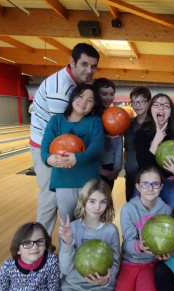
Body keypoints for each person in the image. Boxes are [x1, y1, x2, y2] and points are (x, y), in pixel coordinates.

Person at [30, 43, 100, 235]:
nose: (89, 70)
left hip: (61, 147)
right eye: (84, 64)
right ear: (72, 62)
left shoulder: (72, 83)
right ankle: (40, 243)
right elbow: (62, 129)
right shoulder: (61, 90)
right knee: (50, 196)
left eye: (93, 66)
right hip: (46, 146)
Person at [40, 84, 104, 222]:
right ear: (72, 97)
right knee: (68, 223)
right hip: (63, 181)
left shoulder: (95, 121)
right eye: (80, 96)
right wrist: (49, 159)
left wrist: (78, 158)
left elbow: (97, 147)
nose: (84, 101)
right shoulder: (56, 121)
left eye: (90, 100)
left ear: (94, 105)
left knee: (90, 222)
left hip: (88, 181)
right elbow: (44, 148)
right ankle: (66, 244)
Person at [115, 166, 172, 291]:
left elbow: (170, 241)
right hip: (130, 261)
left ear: (161, 187)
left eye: (155, 184)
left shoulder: (166, 211)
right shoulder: (128, 209)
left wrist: (168, 253)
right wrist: (139, 246)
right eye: (145, 184)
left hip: (153, 263)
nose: (150, 188)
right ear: (138, 186)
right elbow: (127, 244)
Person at [58, 178, 120, 290]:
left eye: (103, 201)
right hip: (73, 286)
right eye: (92, 201)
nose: (97, 207)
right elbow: (65, 269)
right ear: (83, 201)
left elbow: (115, 264)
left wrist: (106, 279)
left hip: (101, 287)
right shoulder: (71, 229)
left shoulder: (111, 231)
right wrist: (68, 242)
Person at [134, 93, 174, 209]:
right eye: (156, 105)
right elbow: (144, 165)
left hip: (168, 183)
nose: (161, 108)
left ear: (171, 113)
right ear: (150, 110)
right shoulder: (141, 133)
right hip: (146, 182)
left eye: (166, 106)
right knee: (141, 217)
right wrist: (157, 140)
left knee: (168, 216)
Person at [0, 222, 60, 290]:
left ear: (46, 244)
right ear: (18, 249)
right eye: (27, 243)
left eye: (40, 241)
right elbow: (2, 288)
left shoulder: (52, 261)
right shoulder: (8, 266)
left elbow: (53, 287)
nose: (35, 247)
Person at [93, 78, 124, 191]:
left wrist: (116, 169)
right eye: (104, 94)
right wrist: (99, 169)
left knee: (105, 200)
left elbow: (119, 144)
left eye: (112, 94)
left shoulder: (115, 115)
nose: (109, 98)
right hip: (93, 168)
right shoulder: (91, 117)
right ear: (96, 94)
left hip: (109, 166)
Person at [124, 87, 152, 202]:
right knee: (131, 204)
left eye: (141, 101)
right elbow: (127, 148)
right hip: (131, 175)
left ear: (149, 102)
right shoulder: (128, 124)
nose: (137, 105)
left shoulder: (154, 125)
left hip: (149, 176)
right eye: (134, 102)